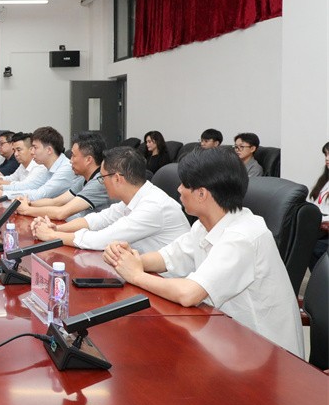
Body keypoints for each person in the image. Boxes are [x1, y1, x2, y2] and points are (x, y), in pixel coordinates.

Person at [103, 147, 304, 358]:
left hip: (266, 355)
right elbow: (168, 257)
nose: (178, 189)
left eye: (184, 184)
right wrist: (129, 258)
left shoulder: (243, 236)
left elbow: (189, 294)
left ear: (201, 194)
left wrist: (135, 275)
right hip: (226, 338)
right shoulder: (205, 225)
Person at [31, 146, 189, 252]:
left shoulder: (153, 206)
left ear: (118, 179)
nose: (101, 182)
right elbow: (99, 220)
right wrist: (56, 229)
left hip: (164, 281)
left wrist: (51, 236)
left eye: (102, 177)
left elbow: (103, 239)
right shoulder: (134, 197)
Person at [15, 131, 113, 220]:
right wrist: (29, 203)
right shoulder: (83, 179)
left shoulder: (99, 182)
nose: (70, 161)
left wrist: (26, 209)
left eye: (73, 156)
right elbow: (56, 202)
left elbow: (61, 212)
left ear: (88, 160)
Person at [0, 126, 82, 202]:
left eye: (35, 148)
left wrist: (2, 194)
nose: (32, 152)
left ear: (49, 150)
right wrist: (1, 188)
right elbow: (29, 187)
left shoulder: (66, 168)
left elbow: (39, 194)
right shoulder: (46, 166)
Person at [308, 141, 329, 270]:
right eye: (326, 154)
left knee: (314, 247)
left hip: (324, 230)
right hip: (318, 226)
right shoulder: (325, 180)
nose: (327, 158)